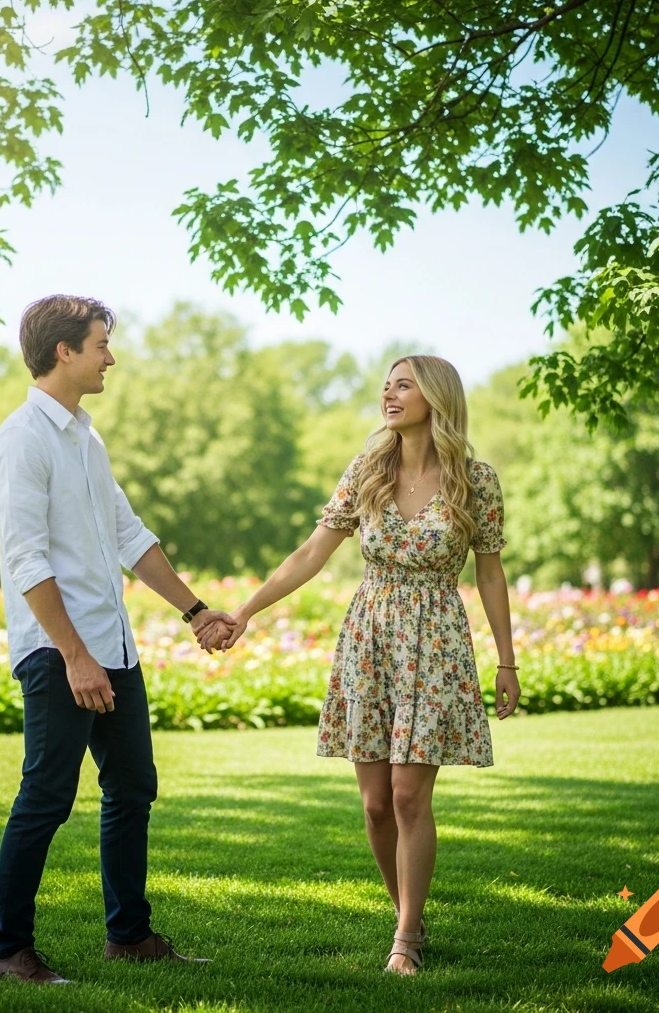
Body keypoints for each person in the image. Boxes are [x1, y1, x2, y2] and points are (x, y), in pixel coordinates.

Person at [200, 355, 520, 977]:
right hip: (369, 639)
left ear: (435, 396)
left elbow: (489, 570)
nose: (389, 393)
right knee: (375, 804)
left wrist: (507, 661)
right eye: (387, 384)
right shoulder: (368, 469)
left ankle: (404, 938)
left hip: (435, 643)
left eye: (404, 385)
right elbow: (313, 552)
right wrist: (245, 611)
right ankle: (411, 913)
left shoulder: (475, 480)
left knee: (407, 795)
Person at [0, 294, 235, 984]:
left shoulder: (84, 437)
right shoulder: (21, 440)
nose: (110, 358)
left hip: (112, 650)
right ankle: (8, 949)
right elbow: (26, 561)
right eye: (100, 345)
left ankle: (128, 935)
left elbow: (128, 536)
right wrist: (72, 655)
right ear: (63, 350)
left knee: (132, 786)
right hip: (59, 652)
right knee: (47, 795)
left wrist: (196, 611)